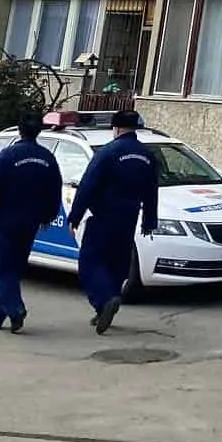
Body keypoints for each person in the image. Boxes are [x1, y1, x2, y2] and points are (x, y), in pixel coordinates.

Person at [68, 108, 159, 334]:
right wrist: (149, 221)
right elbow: (152, 192)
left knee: (90, 262)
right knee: (118, 263)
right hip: (129, 219)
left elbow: (88, 185)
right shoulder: (148, 156)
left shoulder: (108, 153)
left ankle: (106, 298)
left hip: (103, 217)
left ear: (116, 129)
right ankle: (106, 305)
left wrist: (75, 216)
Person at [0, 113, 63, 334]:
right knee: (13, 268)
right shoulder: (47, 158)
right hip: (31, 221)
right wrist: (48, 215)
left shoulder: (7, 156)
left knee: (0, 270)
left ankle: (15, 309)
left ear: (19, 130)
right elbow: (55, 189)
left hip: (7, 219)